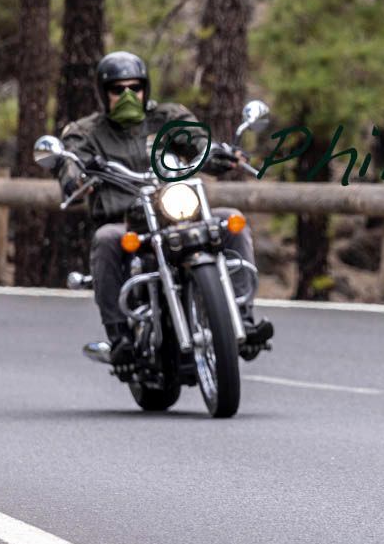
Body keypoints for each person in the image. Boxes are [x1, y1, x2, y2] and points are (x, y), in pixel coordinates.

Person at [55, 51, 273, 365]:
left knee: (232, 221)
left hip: (178, 214)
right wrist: (74, 176)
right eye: (118, 89)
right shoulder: (86, 132)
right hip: (126, 220)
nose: (128, 95)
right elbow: (69, 161)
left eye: (135, 88)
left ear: (146, 88)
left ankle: (243, 317)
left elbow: (198, 141)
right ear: (104, 93)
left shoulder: (168, 118)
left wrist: (216, 154)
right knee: (105, 239)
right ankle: (120, 337)